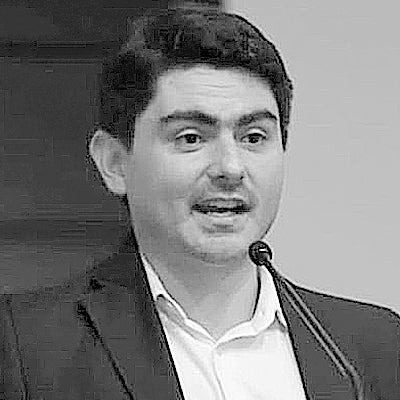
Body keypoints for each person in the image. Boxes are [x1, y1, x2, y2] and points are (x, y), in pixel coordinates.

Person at [1, 7, 399, 400]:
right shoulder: (26, 346)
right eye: (191, 138)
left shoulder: (371, 349)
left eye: (254, 137)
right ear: (115, 162)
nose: (230, 168)